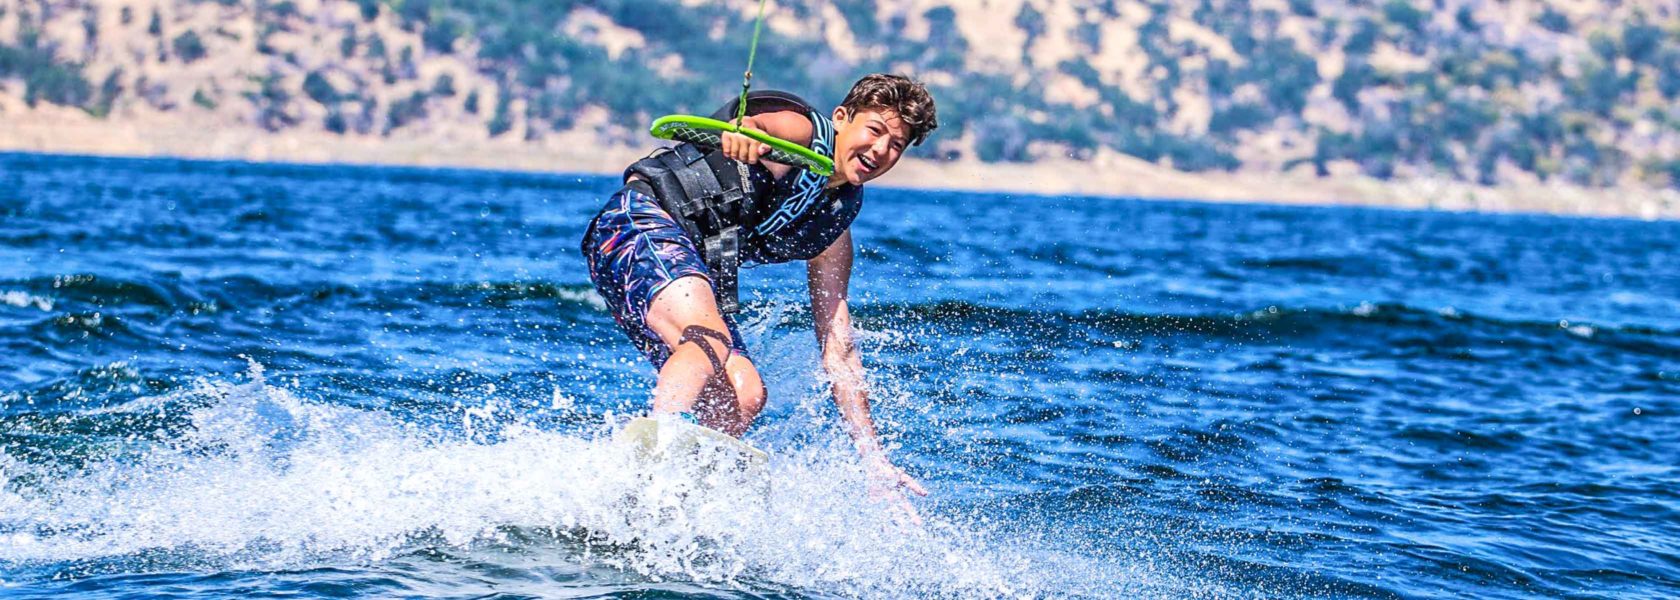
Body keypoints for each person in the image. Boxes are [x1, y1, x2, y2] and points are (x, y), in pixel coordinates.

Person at [581, 74, 937, 516]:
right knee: (708, 340)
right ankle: (663, 442)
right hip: (640, 222)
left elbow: (839, 350)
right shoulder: (806, 132)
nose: (881, 150)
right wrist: (748, 136)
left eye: (897, 145)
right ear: (842, 118)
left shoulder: (834, 225)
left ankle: (659, 511)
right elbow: (766, 125)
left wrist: (873, 458)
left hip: (689, 263)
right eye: (875, 130)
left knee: (745, 393)